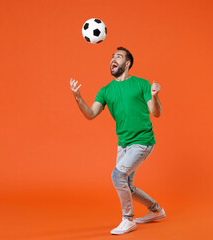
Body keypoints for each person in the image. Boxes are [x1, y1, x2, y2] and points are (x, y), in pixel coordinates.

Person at [69, 47, 165, 235]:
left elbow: (156, 113)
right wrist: (78, 98)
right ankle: (156, 210)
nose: (113, 59)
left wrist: (155, 96)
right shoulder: (105, 91)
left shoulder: (141, 84)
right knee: (127, 185)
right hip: (124, 144)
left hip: (143, 141)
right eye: (112, 56)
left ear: (127, 63)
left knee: (117, 176)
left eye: (118, 57)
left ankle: (128, 219)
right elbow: (90, 114)